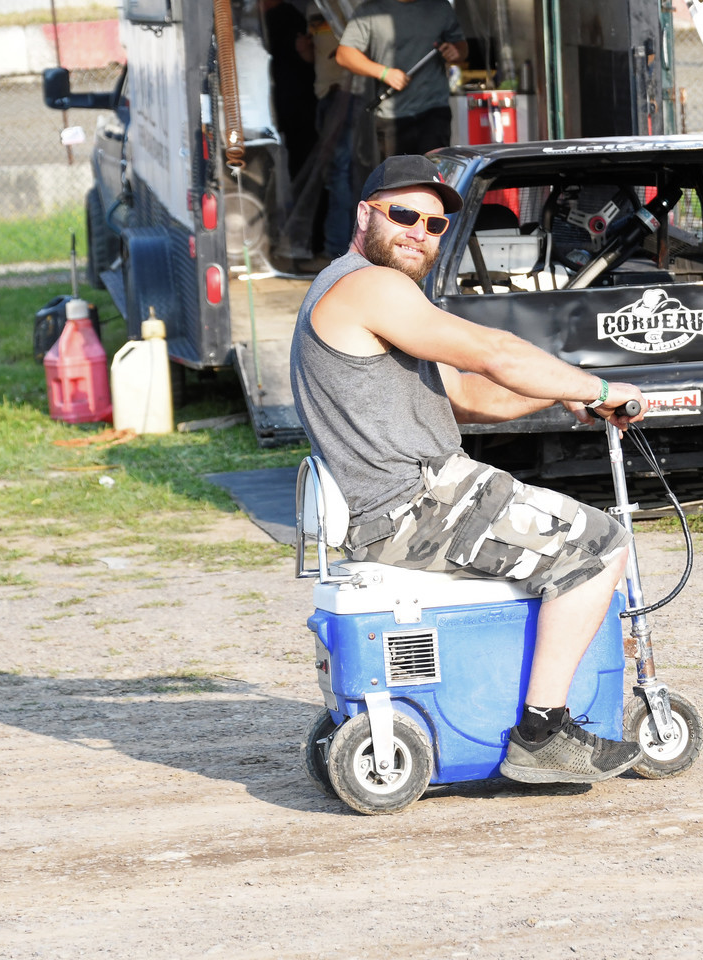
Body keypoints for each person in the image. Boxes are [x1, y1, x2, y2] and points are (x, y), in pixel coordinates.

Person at [289, 155, 647, 785]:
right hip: (419, 503)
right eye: (404, 215)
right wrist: (598, 385)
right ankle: (542, 734)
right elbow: (492, 353)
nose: (419, 233)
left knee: (570, 545)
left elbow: (466, 395)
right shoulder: (372, 286)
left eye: (435, 225)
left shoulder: (351, 293)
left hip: (400, 507)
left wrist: (564, 395)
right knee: (600, 547)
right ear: (364, 215)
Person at [335, 0, 466, 183]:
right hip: (392, 116)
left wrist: (455, 52)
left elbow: (461, 48)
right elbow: (344, 54)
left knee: (434, 182)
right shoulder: (370, 10)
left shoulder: (440, 6)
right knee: (397, 184)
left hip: (434, 110)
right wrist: (384, 73)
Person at [307, 2, 355, 260]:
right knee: (334, 174)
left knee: (340, 173)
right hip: (324, 95)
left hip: (344, 95)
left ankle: (338, 248)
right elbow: (314, 54)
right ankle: (339, 247)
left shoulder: (348, 6)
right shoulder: (315, 8)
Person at [261, 0, 318, 179]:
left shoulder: (279, 18)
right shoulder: (289, 15)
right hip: (297, 96)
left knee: (300, 149)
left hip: (295, 98)